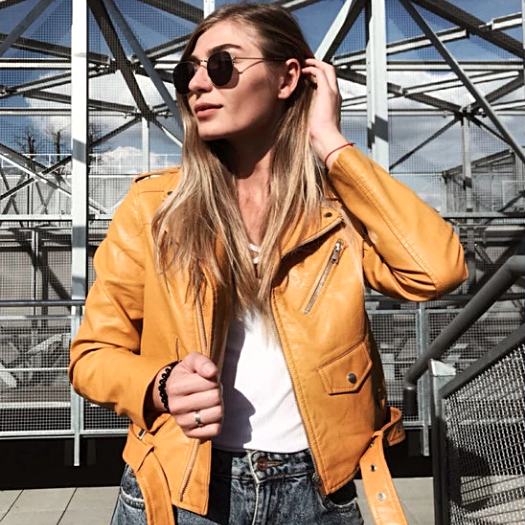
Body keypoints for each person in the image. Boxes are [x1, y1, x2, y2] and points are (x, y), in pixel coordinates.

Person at [69, 3, 467, 524]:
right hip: (181, 489)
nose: (197, 84)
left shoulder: (337, 211)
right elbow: (92, 355)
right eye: (188, 72)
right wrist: (161, 383)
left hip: (317, 491)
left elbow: (437, 270)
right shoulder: (154, 208)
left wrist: (330, 142)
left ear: (287, 78)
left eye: (222, 66)